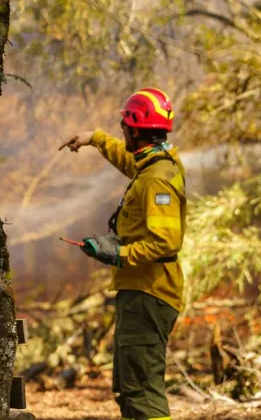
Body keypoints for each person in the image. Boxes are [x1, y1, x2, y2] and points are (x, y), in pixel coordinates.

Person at [59, 87, 186, 420]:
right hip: (142, 291)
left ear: (134, 130)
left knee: (142, 392)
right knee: (129, 389)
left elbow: (165, 242)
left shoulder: (156, 180)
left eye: (123, 129)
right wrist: (96, 139)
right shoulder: (153, 163)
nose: (121, 134)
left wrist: (117, 254)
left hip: (150, 293)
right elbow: (129, 159)